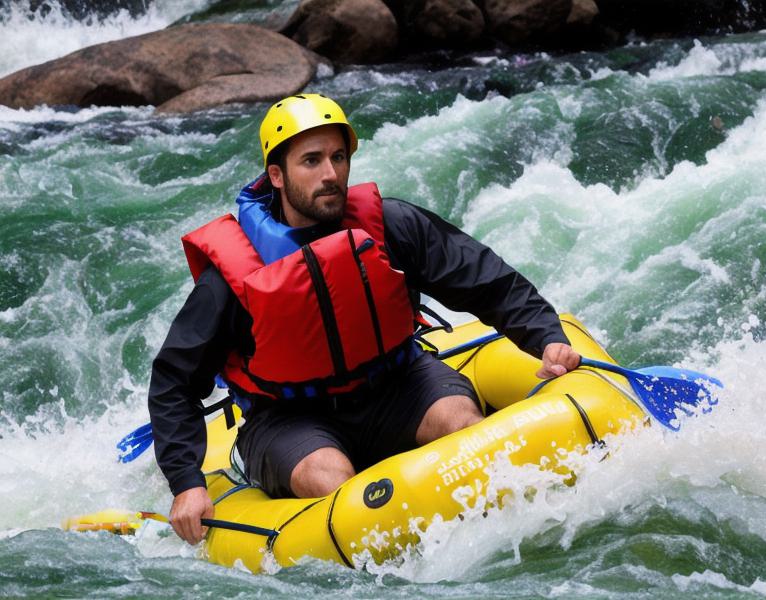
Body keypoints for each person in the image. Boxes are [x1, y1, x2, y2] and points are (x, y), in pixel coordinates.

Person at [148, 93, 581, 544]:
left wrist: (547, 337)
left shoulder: (389, 226)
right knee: (331, 480)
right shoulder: (236, 276)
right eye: (311, 161)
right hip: (288, 416)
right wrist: (187, 483)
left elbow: (485, 280)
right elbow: (174, 379)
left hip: (397, 382)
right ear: (276, 175)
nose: (330, 173)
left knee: (465, 427)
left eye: (338, 157)